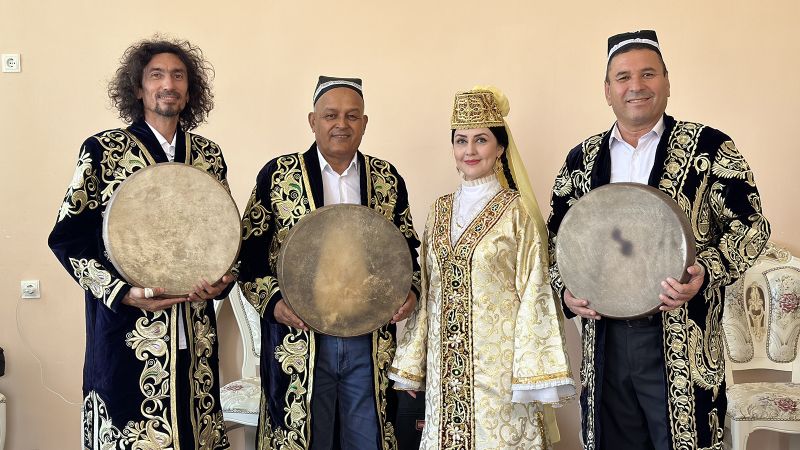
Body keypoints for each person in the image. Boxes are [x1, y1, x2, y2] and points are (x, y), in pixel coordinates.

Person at [547, 30, 771, 450]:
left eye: (648, 73)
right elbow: (556, 239)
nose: (636, 85)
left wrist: (706, 272)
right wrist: (567, 291)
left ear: (667, 81)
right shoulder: (581, 159)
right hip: (603, 338)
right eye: (623, 76)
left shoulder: (710, 147)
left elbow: (752, 226)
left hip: (681, 337)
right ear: (607, 91)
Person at [48, 37, 232, 450]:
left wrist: (223, 280)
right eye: (157, 75)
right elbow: (68, 237)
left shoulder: (207, 156)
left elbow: (221, 237)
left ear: (190, 88)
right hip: (126, 332)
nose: (169, 84)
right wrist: (122, 294)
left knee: (194, 431)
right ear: (138, 88)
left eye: (178, 75)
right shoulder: (102, 151)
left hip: (195, 331)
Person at [236, 76, 421, 450]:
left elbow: (406, 249)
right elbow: (248, 256)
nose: (342, 124)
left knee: (366, 436)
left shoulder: (386, 178)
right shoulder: (277, 176)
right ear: (312, 120)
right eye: (331, 115)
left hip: (368, 340)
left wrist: (411, 292)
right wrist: (276, 305)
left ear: (364, 123)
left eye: (352, 116)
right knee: (304, 437)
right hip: (300, 339)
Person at [390, 86, 575, 450]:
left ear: (500, 148)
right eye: (461, 141)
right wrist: (414, 365)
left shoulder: (515, 212)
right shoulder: (439, 210)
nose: (470, 151)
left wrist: (529, 374)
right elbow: (427, 290)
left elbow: (535, 290)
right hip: (445, 373)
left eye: (481, 140)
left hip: (501, 374)